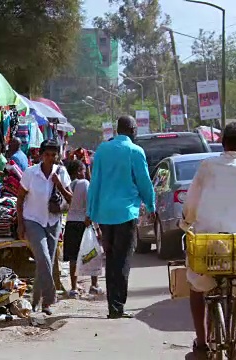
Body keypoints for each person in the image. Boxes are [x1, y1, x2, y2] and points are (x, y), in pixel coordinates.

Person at [180, 122, 236, 358]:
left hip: (210, 243)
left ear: (222, 144)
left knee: (196, 286)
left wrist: (185, 223)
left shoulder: (207, 165)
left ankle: (202, 344)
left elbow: (192, 203)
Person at [87, 115, 155, 319]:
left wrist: (90, 212)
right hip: (126, 213)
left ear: (117, 130)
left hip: (105, 214)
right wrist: (151, 205)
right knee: (123, 259)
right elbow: (144, 181)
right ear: (133, 130)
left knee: (111, 260)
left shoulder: (102, 150)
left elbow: (95, 182)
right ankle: (118, 306)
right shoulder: (135, 151)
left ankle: (112, 306)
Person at [17, 139, 71, 315]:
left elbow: (71, 199)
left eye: (53, 155)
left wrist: (59, 185)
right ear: (41, 155)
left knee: (44, 263)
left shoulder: (61, 172)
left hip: (53, 221)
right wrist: (20, 224)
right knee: (43, 257)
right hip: (33, 220)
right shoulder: (30, 173)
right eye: (47, 155)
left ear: (57, 156)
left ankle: (37, 302)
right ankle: (50, 297)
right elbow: (20, 199)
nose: (50, 158)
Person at [63, 159, 103, 297]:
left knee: (73, 257)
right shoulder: (84, 184)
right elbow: (90, 205)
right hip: (84, 223)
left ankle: (73, 288)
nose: (86, 173)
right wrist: (97, 227)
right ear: (79, 171)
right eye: (84, 170)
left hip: (70, 223)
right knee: (91, 253)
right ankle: (94, 285)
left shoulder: (68, 185)